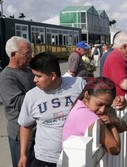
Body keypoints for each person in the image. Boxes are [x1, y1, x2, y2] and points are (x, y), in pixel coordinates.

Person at [18, 52, 87, 167]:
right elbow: (26, 125)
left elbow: (97, 102)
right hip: (45, 160)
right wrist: (23, 154)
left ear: (53, 76)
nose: (34, 80)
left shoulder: (79, 84)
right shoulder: (31, 96)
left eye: (39, 76)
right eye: (34, 75)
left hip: (77, 154)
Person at [62, 77, 127, 155]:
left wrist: (114, 120)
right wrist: (112, 123)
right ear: (86, 95)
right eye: (99, 104)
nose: (102, 110)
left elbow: (124, 127)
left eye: (107, 106)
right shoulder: (87, 115)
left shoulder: (80, 106)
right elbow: (115, 149)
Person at [0, 36, 35, 167]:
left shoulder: (28, 70)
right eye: (27, 54)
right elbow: (19, 102)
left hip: (35, 130)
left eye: (31, 53)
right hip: (21, 134)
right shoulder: (6, 77)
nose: (30, 57)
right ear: (13, 55)